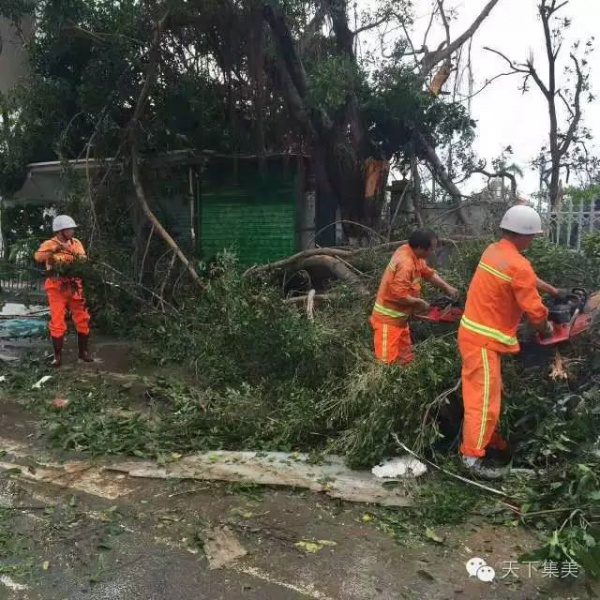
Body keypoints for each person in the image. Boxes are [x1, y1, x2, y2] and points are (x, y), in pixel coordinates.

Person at [457, 205, 560, 480]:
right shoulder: (519, 265)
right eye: (533, 236)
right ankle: (471, 461)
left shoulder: (494, 251)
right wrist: (546, 328)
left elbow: (523, 277)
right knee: (484, 401)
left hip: (472, 335)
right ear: (525, 236)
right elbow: (535, 312)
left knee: (488, 394)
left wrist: (551, 289)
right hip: (484, 342)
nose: (533, 241)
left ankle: (490, 443)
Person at [370, 229, 458, 366]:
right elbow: (399, 296)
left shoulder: (414, 255)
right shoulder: (405, 264)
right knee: (386, 365)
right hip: (388, 322)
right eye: (431, 248)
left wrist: (448, 288)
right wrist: (420, 303)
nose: (432, 252)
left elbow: (428, 274)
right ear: (420, 248)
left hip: (401, 321)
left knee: (406, 361)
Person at [34, 215, 93, 367]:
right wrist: (55, 249)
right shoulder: (50, 243)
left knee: (83, 317)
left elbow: (82, 259)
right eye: (70, 229)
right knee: (57, 320)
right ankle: (57, 357)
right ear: (61, 231)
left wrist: (66, 257)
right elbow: (38, 256)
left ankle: (83, 352)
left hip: (74, 286)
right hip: (56, 288)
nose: (72, 231)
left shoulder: (76, 243)